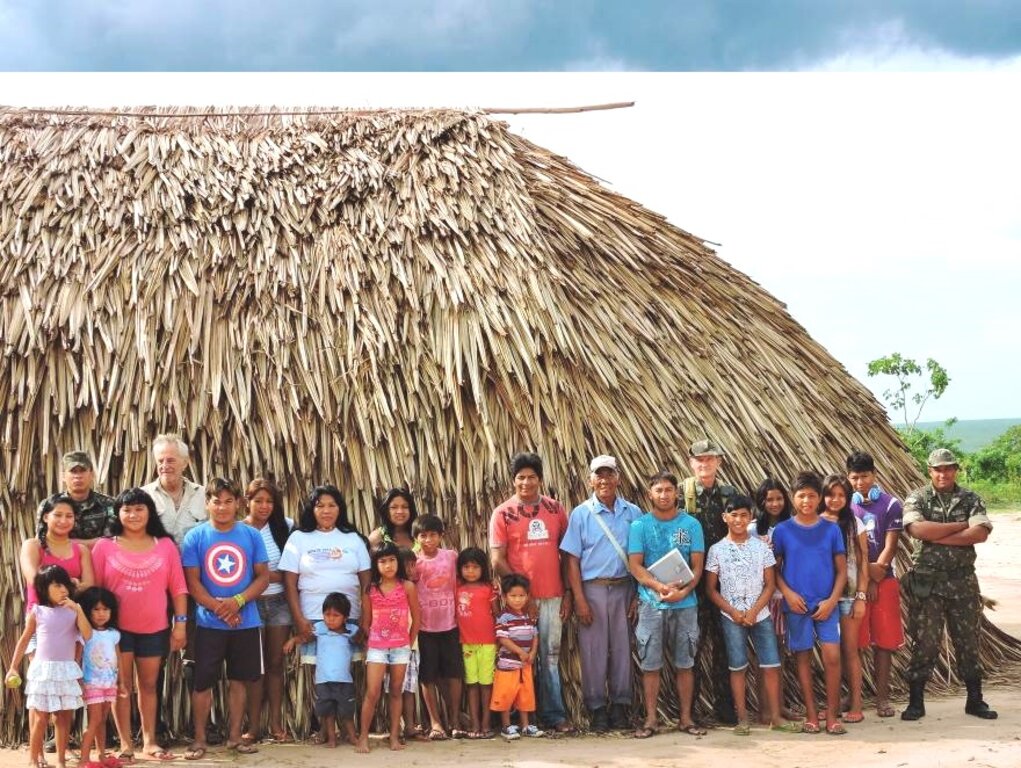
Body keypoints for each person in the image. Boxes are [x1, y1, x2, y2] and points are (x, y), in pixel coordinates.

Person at [900, 448, 997, 722]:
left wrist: (937, 535)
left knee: (968, 642)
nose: (943, 473)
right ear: (929, 471)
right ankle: (916, 702)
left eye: (948, 468)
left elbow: (979, 534)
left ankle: (975, 700)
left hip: (962, 582)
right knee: (925, 643)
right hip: (927, 584)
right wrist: (960, 526)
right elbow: (917, 530)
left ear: (955, 470)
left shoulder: (970, 498)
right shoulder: (917, 498)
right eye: (938, 469)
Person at [91, 488, 188, 762]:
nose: (132, 515)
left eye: (139, 509)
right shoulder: (104, 547)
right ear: (117, 513)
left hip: (155, 628)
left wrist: (180, 624)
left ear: (149, 513)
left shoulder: (166, 546)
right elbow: (95, 592)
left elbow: (179, 589)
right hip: (114, 633)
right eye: (126, 509)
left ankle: (149, 741)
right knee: (121, 687)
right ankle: (124, 744)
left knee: (148, 685)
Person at [180, 478, 270, 760]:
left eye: (228, 501)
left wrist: (238, 602)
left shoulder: (252, 535)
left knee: (240, 680)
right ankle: (199, 739)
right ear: (207, 503)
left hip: (246, 621)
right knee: (202, 682)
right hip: (208, 624)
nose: (222, 507)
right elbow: (192, 583)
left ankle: (235, 736)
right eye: (216, 501)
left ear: (238, 503)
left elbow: (263, 576)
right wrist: (220, 609)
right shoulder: (195, 536)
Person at [488, 452, 572, 733]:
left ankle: (553, 716)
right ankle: (517, 717)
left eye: (531, 477)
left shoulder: (555, 509)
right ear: (513, 480)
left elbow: (567, 554)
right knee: (514, 659)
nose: (526, 482)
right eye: (521, 477)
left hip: (553, 595)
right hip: (518, 602)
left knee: (549, 656)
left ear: (540, 479)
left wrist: (569, 592)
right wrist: (526, 598)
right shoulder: (503, 513)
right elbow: (497, 559)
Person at [705, 496, 801, 735]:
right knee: (737, 667)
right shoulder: (716, 550)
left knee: (771, 664)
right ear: (724, 518)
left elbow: (770, 584)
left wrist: (755, 610)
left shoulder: (761, 548)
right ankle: (743, 719)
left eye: (743, 515)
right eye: (733, 515)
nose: (738, 520)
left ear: (751, 518)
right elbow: (710, 589)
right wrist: (734, 612)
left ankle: (775, 716)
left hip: (761, 615)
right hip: (731, 617)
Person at [560, 455, 641, 733]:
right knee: (592, 651)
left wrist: (637, 594)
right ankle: (596, 709)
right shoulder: (581, 514)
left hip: (623, 587)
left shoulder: (633, 512)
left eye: (609, 475)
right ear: (591, 480)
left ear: (618, 478)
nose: (604, 480)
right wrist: (579, 598)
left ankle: (619, 706)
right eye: (599, 475)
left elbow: (642, 556)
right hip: (592, 589)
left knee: (622, 649)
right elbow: (571, 559)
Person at [628, 471, 705, 738]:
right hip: (651, 604)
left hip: (686, 604)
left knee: (686, 663)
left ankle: (685, 718)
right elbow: (635, 565)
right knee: (651, 664)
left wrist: (684, 592)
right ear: (650, 494)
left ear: (677, 493)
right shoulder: (639, 526)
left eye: (669, 490)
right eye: (658, 490)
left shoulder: (692, 525)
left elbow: (698, 566)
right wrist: (658, 587)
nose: (664, 495)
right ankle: (651, 720)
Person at [772, 471, 847, 735]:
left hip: (827, 604)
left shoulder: (832, 529)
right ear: (793, 499)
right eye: (801, 496)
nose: (806, 500)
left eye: (812, 496)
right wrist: (788, 595)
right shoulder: (782, 531)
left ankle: (833, 716)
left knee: (832, 657)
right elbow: (775, 570)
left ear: (820, 499)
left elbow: (841, 571)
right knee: (802, 658)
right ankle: (812, 715)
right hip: (797, 606)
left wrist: (832, 601)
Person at [6, 565, 91, 768]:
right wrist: (12, 667)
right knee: (40, 718)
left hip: (65, 671)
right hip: (43, 672)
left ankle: (60, 761)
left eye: (66, 585)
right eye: (57, 585)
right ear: (44, 588)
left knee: (62, 718)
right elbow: (25, 640)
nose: (64, 589)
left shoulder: (73, 611)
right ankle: (34, 760)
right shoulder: (38, 612)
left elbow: (87, 635)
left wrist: (78, 610)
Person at [279, 485, 371, 663]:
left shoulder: (353, 539)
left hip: (349, 620)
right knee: (319, 674)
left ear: (340, 508)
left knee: (346, 673)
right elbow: (289, 584)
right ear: (312, 509)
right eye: (320, 506)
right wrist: (299, 620)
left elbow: (367, 584)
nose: (326, 511)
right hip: (312, 620)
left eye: (332, 505)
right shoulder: (298, 538)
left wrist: (365, 620)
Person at [846, 450, 904, 719]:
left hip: (884, 580)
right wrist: (864, 579)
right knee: (854, 642)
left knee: (884, 643)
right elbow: (849, 550)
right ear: (849, 477)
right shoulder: (846, 507)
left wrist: (874, 576)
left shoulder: (892, 505)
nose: (860, 483)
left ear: (874, 475)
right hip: (856, 582)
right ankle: (853, 695)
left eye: (865, 476)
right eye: (855, 478)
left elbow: (890, 547)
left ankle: (882, 698)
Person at [685, 439, 740, 726]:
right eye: (699, 460)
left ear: (718, 461)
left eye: (710, 458)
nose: (704, 464)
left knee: (724, 645)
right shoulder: (681, 495)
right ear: (691, 463)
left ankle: (725, 706)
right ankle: (689, 708)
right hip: (692, 582)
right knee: (692, 646)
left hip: (723, 582)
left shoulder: (729, 495)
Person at [241, 478, 294, 744]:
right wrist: (268, 575)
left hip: (279, 605)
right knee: (254, 667)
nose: (264, 506)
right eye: (258, 500)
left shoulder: (286, 527)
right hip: (249, 604)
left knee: (275, 664)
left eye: (269, 501)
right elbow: (238, 572)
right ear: (247, 501)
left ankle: (274, 723)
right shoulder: (238, 530)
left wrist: (264, 576)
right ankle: (253, 726)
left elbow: (291, 571)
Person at [357, 543, 420, 752]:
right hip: (377, 647)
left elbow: (417, 619)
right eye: (382, 561)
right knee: (372, 692)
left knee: (395, 691)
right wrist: (373, 641)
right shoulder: (370, 590)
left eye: (392, 560)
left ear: (398, 562)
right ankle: (363, 737)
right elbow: (365, 622)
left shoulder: (407, 587)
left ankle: (394, 737)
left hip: (401, 648)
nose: (388, 565)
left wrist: (407, 644)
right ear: (376, 564)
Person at [819, 474, 868, 724]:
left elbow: (863, 562)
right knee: (831, 653)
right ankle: (833, 705)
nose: (836, 499)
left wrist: (861, 596)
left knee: (850, 650)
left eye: (841, 495)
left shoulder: (854, 523)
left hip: (848, 596)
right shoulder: (815, 522)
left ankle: (857, 704)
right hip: (823, 597)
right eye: (831, 494)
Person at [284, 593, 359, 748]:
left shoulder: (351, 630)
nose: (330, 619)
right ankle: (332, 739)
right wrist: (293, 640)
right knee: (328, 713)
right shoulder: (319, 628)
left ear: (345, 618)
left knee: (347, 712)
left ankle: (352, 737)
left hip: (344, 681)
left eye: (336, 615)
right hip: (323, 680)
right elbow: (304, 637)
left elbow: (364, 639)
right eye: (327, 615)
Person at [412, 514, 464, 739]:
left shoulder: (451, 557)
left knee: (454, 674)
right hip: (424, 629)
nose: (428, 540)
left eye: (433, 535)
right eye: (423, 535)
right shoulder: (414, 562)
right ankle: (435, 722)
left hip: (451, 625)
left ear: (441, 536)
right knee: (428, 676)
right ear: (416, 538)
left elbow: (462, 584)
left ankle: (454, 720)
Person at [752, 477, 798, 721]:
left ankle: (778, 706)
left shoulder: (793, 527)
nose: (774, 503)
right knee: (764, 654)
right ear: (761, 501)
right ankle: (764, 709)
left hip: (784, 597)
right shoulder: (751, 529)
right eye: (769, 499)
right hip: (760, 600)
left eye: (779, 498)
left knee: (778, 654)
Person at [77, 587, 127, 768]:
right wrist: (78, 681)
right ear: (87, 610)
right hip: (92, 683)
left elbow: (118, 657)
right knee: (95, 719)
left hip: (109, 682)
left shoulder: (114, 634)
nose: (101, 614)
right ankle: (83, 759)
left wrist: (121, 682)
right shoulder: (86, 632)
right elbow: (78, 657)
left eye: (105, 609)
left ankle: (101, 755)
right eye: (96, 609)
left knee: (103, 719)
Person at [491, 574, 543, 741]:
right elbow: (502, 638)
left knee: (525, 695)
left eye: (521, 596)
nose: (518, 600)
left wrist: (533, 652)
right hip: (508, 665)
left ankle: (526, 725)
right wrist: (520, 652)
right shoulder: (504, 617)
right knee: (506, 695)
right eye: (513, 596)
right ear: (505, 597)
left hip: (525, 665)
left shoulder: (527, 616)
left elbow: (535, 635)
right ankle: (506, 726)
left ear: (527, 596)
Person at [456, 547, 499, 739]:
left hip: (488, 643)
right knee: (472, 684)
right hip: (466, 643)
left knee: (486, 684)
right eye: (466, 567)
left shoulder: (490, 589)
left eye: (475, 567)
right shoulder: (456, 588)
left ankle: (486, 723)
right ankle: (474, 723)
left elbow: (497, 614)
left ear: (483, 568)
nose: (470, 571)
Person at [38, 451, 115, 549]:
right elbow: (43, 541)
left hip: (97, 561)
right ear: (63, 476)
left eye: (82, 471)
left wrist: (66, 543)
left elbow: (111, 542)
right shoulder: (49, 506)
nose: (78, 476)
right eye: (73, 471)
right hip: (60, 560)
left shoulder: (109, 504)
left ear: (91, 474)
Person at [141, 433, 206, 546]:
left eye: (170, 460)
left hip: (194, 563)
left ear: (185, 463)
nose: (165, 466)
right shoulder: (143, 496)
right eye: (160, 461)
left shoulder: (204, 495)